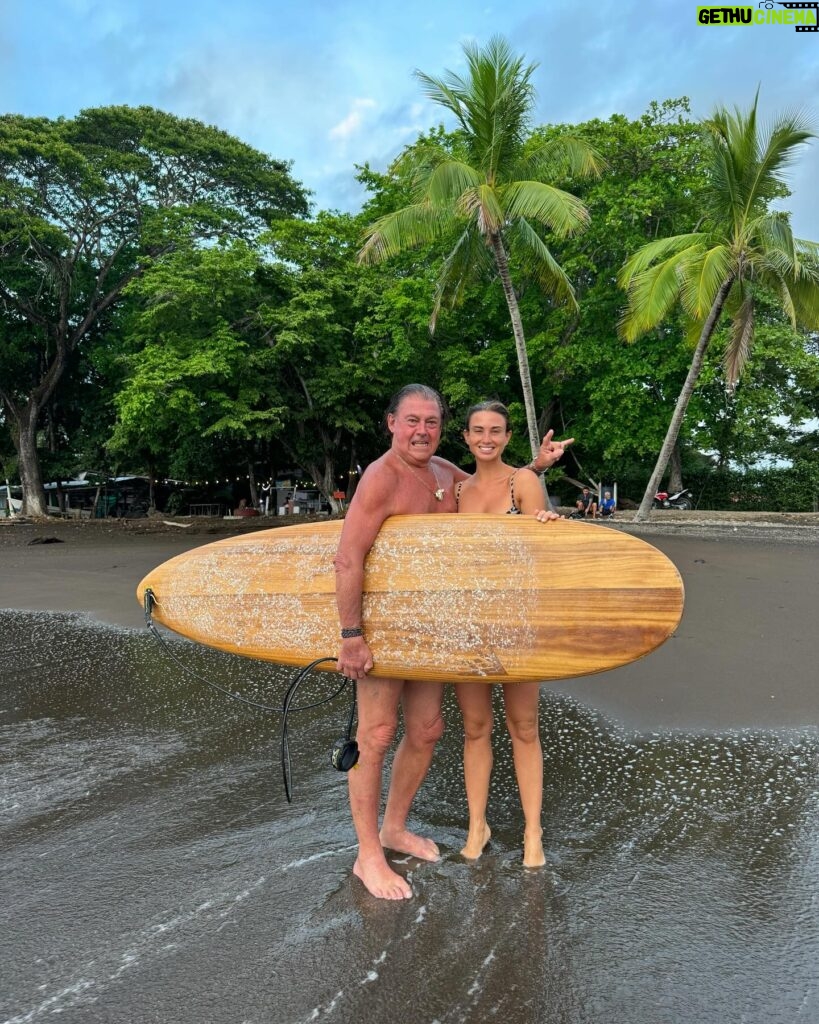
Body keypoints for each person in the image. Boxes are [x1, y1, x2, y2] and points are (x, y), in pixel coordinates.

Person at [334, 385, 572, 900]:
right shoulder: (382, 477)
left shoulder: (446, 475)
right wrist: (350, 636)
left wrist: (536, 469)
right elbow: (348, 558)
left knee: (427, 729)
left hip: (431, 628)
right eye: (412, 421)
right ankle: (368, 855)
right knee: (376, 736)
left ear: (444, 430)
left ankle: (395, 828)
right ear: (391, 423)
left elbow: (499, 485)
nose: (422, 431)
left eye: (431, 422)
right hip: (381, 628)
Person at [453, 401, 566, 869]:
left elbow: (541, 554)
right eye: (478, 430)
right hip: (469, 622)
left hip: (517, 620)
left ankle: (532, 831)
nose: (486, 438)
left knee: (524, 727)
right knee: (475, 727)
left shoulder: (524, 482)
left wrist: (547, 524)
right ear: (465, 436)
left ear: (507, 436)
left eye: (495, 431)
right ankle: (477, 825)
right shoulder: (454, 490)